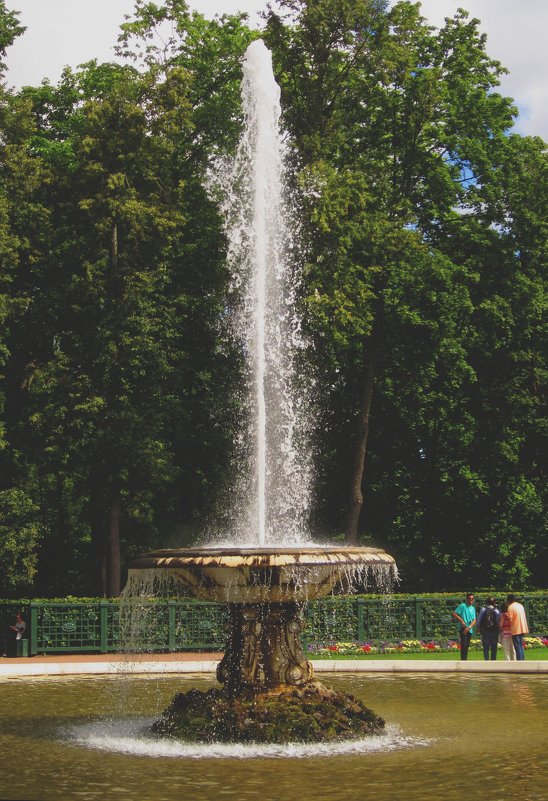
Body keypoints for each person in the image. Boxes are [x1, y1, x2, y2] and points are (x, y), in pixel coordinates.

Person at [452, 593, 477, 661]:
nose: (471, 600)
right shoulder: (462, 606)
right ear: (467, 599)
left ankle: (465, 659)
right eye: (469, 598)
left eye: (472, 598)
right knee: (464, 644)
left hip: (469, 628)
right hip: (463, 627)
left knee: (467, 645)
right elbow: (454, 613)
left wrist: (470, 626)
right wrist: (462, 621)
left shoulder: (472, 608)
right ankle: (463, 660)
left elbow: (474, 620)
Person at [506, 594, 529, 660]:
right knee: (520, 646)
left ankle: (520, 661)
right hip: (523, 628)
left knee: (517, 646)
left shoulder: (510, 607)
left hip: (516, 629)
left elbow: (510, 619)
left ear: (508, 600)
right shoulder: (520, 605)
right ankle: (522, 659)